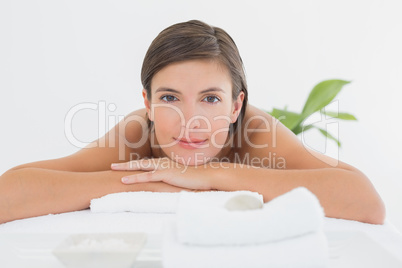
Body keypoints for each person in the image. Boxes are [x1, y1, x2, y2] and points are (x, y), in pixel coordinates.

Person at [0, 20, 385, 224]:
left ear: (236, 108)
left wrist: (214, 176)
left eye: (211, 99)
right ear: (148, 104)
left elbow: (367, 202)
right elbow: (9, 193)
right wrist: (153, 181)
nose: (191, 122)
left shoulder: (256, 133)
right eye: (169, 98)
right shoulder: (138, 134)